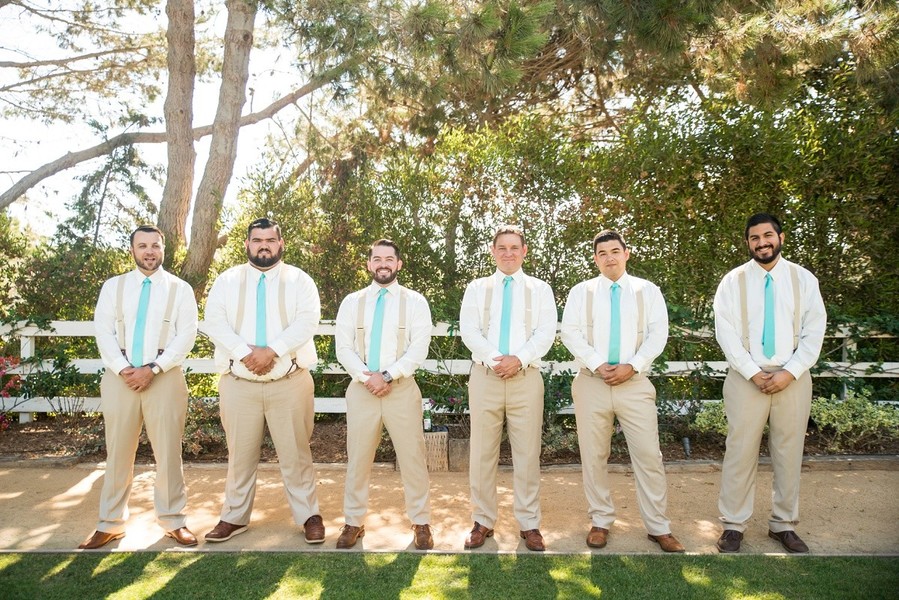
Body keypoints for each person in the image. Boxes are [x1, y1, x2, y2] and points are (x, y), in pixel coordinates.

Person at [560, 230, 685, 553]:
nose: (610, 257)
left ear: (626, 254)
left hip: (635, 382)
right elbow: (571, 333)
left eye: (615, 251)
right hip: (591, 382)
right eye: (603, 253)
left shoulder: (647, 291)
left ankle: (658, 526)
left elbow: (659, 334)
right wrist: (598, 364)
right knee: (593, 455)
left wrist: (634, 365)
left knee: (648, 455)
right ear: (595, 258)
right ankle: (600, 521)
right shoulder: (581, 292)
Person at [203, 217, 325, 544]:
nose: (264, 246)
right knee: (239, 456)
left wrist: (271, 351)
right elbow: (215, 321)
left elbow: (307, 321)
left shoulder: (299, 280)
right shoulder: (227, 281)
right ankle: (234, 517)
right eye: (257, 240)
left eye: (270, 240)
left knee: (296, 454)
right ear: (247, 244)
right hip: (238, 383)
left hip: (290, 381)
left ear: (280, 244)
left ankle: (309, 516)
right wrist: (246, 353)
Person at [713, 213, 826, 553]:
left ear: (781, 237)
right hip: (746, 378)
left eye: (767, 235)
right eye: (754, 238)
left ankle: (783, 524)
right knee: (740, 451)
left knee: (789, 452)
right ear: (747, 243)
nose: (762, 242)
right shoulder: (732, 282)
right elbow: (726, 333)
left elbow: (814, 330)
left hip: (793, 377)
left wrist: (789, 372)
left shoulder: (804, 280)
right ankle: (733, 525)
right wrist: (752, 372)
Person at [80, 225, 199, 550]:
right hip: (120, 379)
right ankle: (110, 524)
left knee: (168, 453)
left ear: (163, 249)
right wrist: (125, 369)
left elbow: (186, 335)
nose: (149, 251)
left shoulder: (180, 289)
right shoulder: (113, 287)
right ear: (132, 249)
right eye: (143, 245)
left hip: (165, 378)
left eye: (155, 246)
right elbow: (103, 332)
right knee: (118, 452)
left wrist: (154, 368)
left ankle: (174, 521)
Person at [459, 225, 557, 551]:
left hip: (526, 379)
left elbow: (545, 333)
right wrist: (494, 358)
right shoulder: (477, 288)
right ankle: (482, 521)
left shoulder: (540, 289)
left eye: (514, 247)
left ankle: (529, 524)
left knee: (527, 454)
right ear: (493, 250)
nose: (508, 253)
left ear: (524, 251)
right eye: (502, 247)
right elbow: (469, 330)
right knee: (482, 453)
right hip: (485, 377)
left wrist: (520, 358)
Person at [333, 239, 434, 550]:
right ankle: (354, 522)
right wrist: (368, 378)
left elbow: (419, 348)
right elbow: (344, 348)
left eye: (389, 258)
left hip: (401, 389)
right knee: (358, 458)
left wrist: (388, 375)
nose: (383, 264)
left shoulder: (415, 302)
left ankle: (421, 522)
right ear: (369, 264)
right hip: (362, 390)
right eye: (377, 258)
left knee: (413, 457)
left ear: (399, 264)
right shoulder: (352, 302)